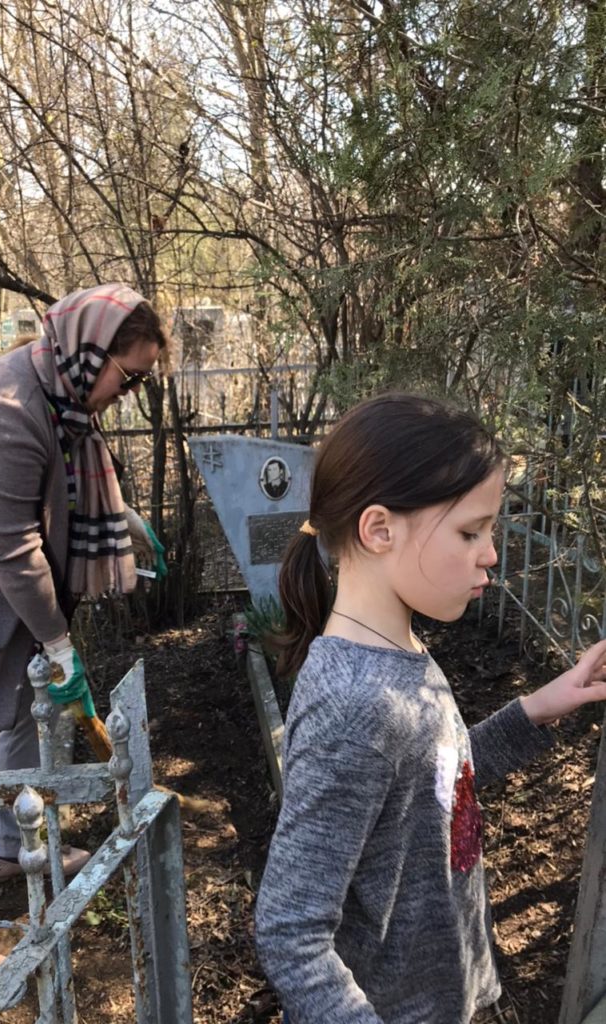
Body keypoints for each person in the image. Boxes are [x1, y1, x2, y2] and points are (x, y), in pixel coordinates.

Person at [255, 393, 606, 1024]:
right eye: (470, 531)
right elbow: (290, 932)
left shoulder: (398, 648)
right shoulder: (355, 706)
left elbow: (433, 786)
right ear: (380, 530)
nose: (490, 553)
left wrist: (537, 710)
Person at [0, 284, 165, 989]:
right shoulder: (4, 412)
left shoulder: (59, 397)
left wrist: (122, 519)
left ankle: (13, 850)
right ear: (90, 354)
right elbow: (12, 550)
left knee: (25, 714)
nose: (128, 394)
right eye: (129, 377)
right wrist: (61, 643)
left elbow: (59, 488)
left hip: (7, 602)